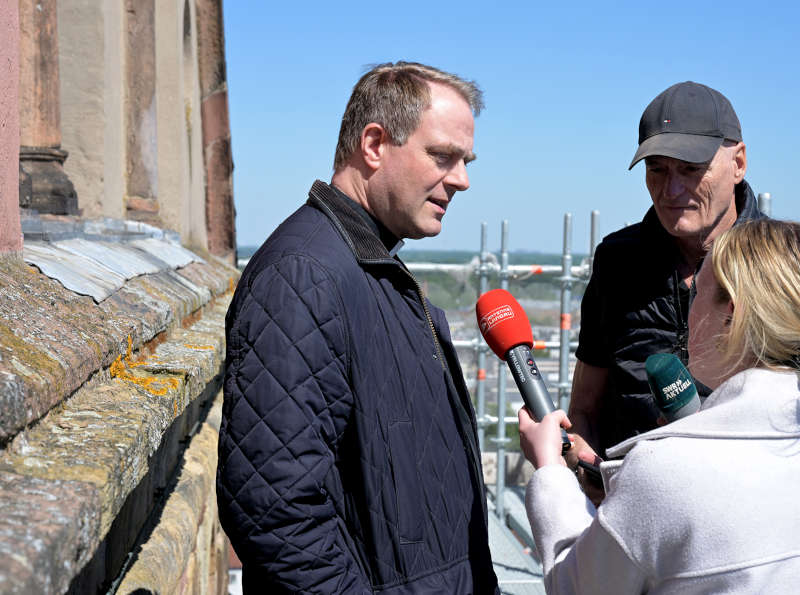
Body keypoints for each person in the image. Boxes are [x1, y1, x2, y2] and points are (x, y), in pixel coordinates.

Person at [217, 62, 499, 594]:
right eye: (443, 156)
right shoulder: (303, 273)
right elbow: (273, 505)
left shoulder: (367, 266)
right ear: (374, 144)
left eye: (466, 160)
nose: (462, 179)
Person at [520, 218, 800, 593]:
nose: (688, 309)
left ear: (731, 314)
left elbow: (575, 586)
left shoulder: (664, 470)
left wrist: (550, 469)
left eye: (697, 293)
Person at [567, 81, 765, 460]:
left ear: (737, 163)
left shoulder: (785, 265)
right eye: (657, 169)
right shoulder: (617, 261)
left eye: (691, 169)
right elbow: (585, 407)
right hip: (631, 505)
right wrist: (589, 472)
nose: (671, 190)